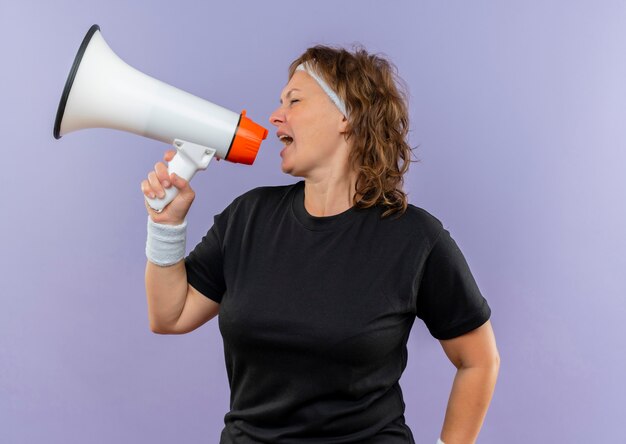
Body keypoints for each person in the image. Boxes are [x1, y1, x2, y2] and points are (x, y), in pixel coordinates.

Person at [141, 45, 500, 444]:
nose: (276, 116)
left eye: (294, 100)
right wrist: (166, 226)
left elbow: (479, 360)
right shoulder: (248, 218)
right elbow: (169, 316)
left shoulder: (415, 239)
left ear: (347, 116)